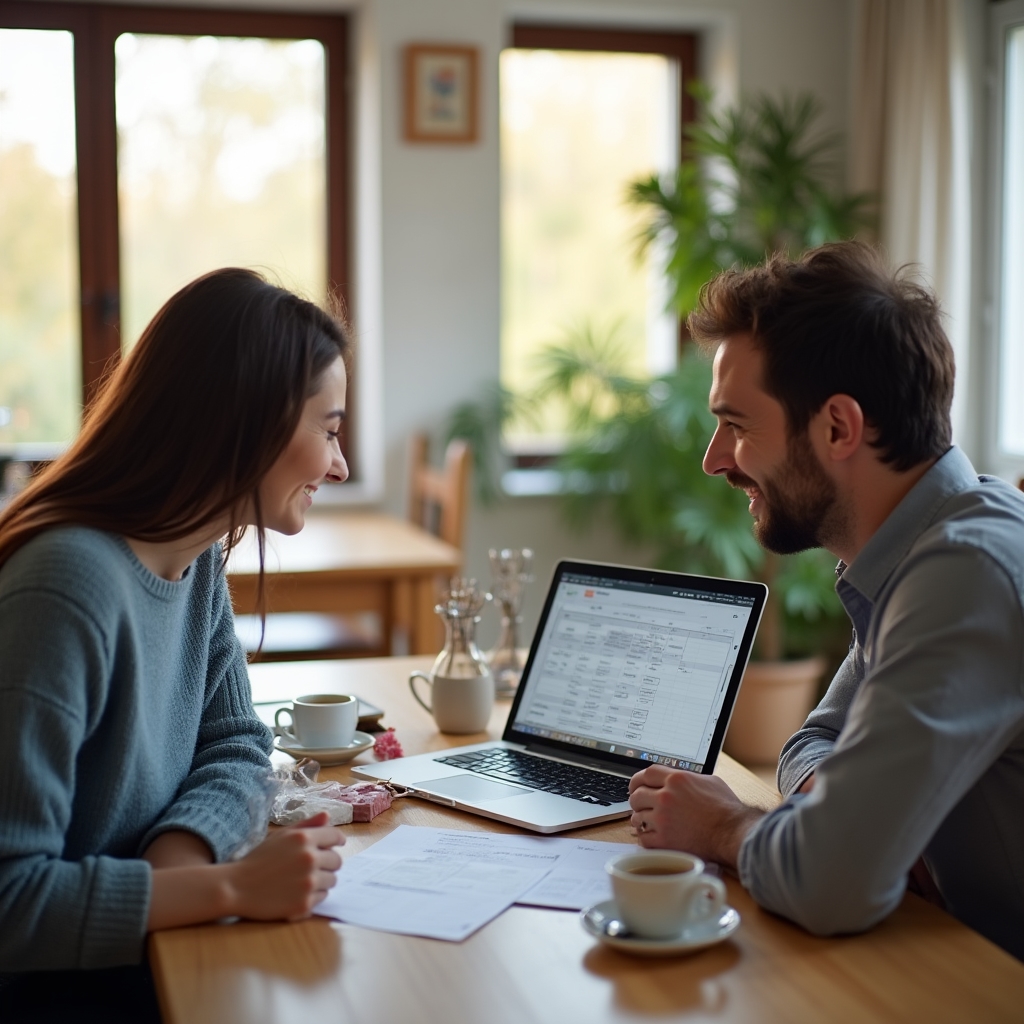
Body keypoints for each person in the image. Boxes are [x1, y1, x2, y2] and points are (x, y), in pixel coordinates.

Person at [627, 242, 1024, 961]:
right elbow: (811, 744)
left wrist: (725, 827)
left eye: (739, 425)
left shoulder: (964, 571)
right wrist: (847, 815)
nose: (715, 458)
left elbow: (829, 881)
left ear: (838, 427)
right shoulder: (911, 551)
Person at [0, 269, 350, 1011]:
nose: (339, 463)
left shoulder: (189, 557)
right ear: (248, 421)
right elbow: (9, 904)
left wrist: (181, 871)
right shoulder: (68, 589)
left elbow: (234, 745)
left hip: (133, 959)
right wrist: (225, 886)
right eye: (328, 429)